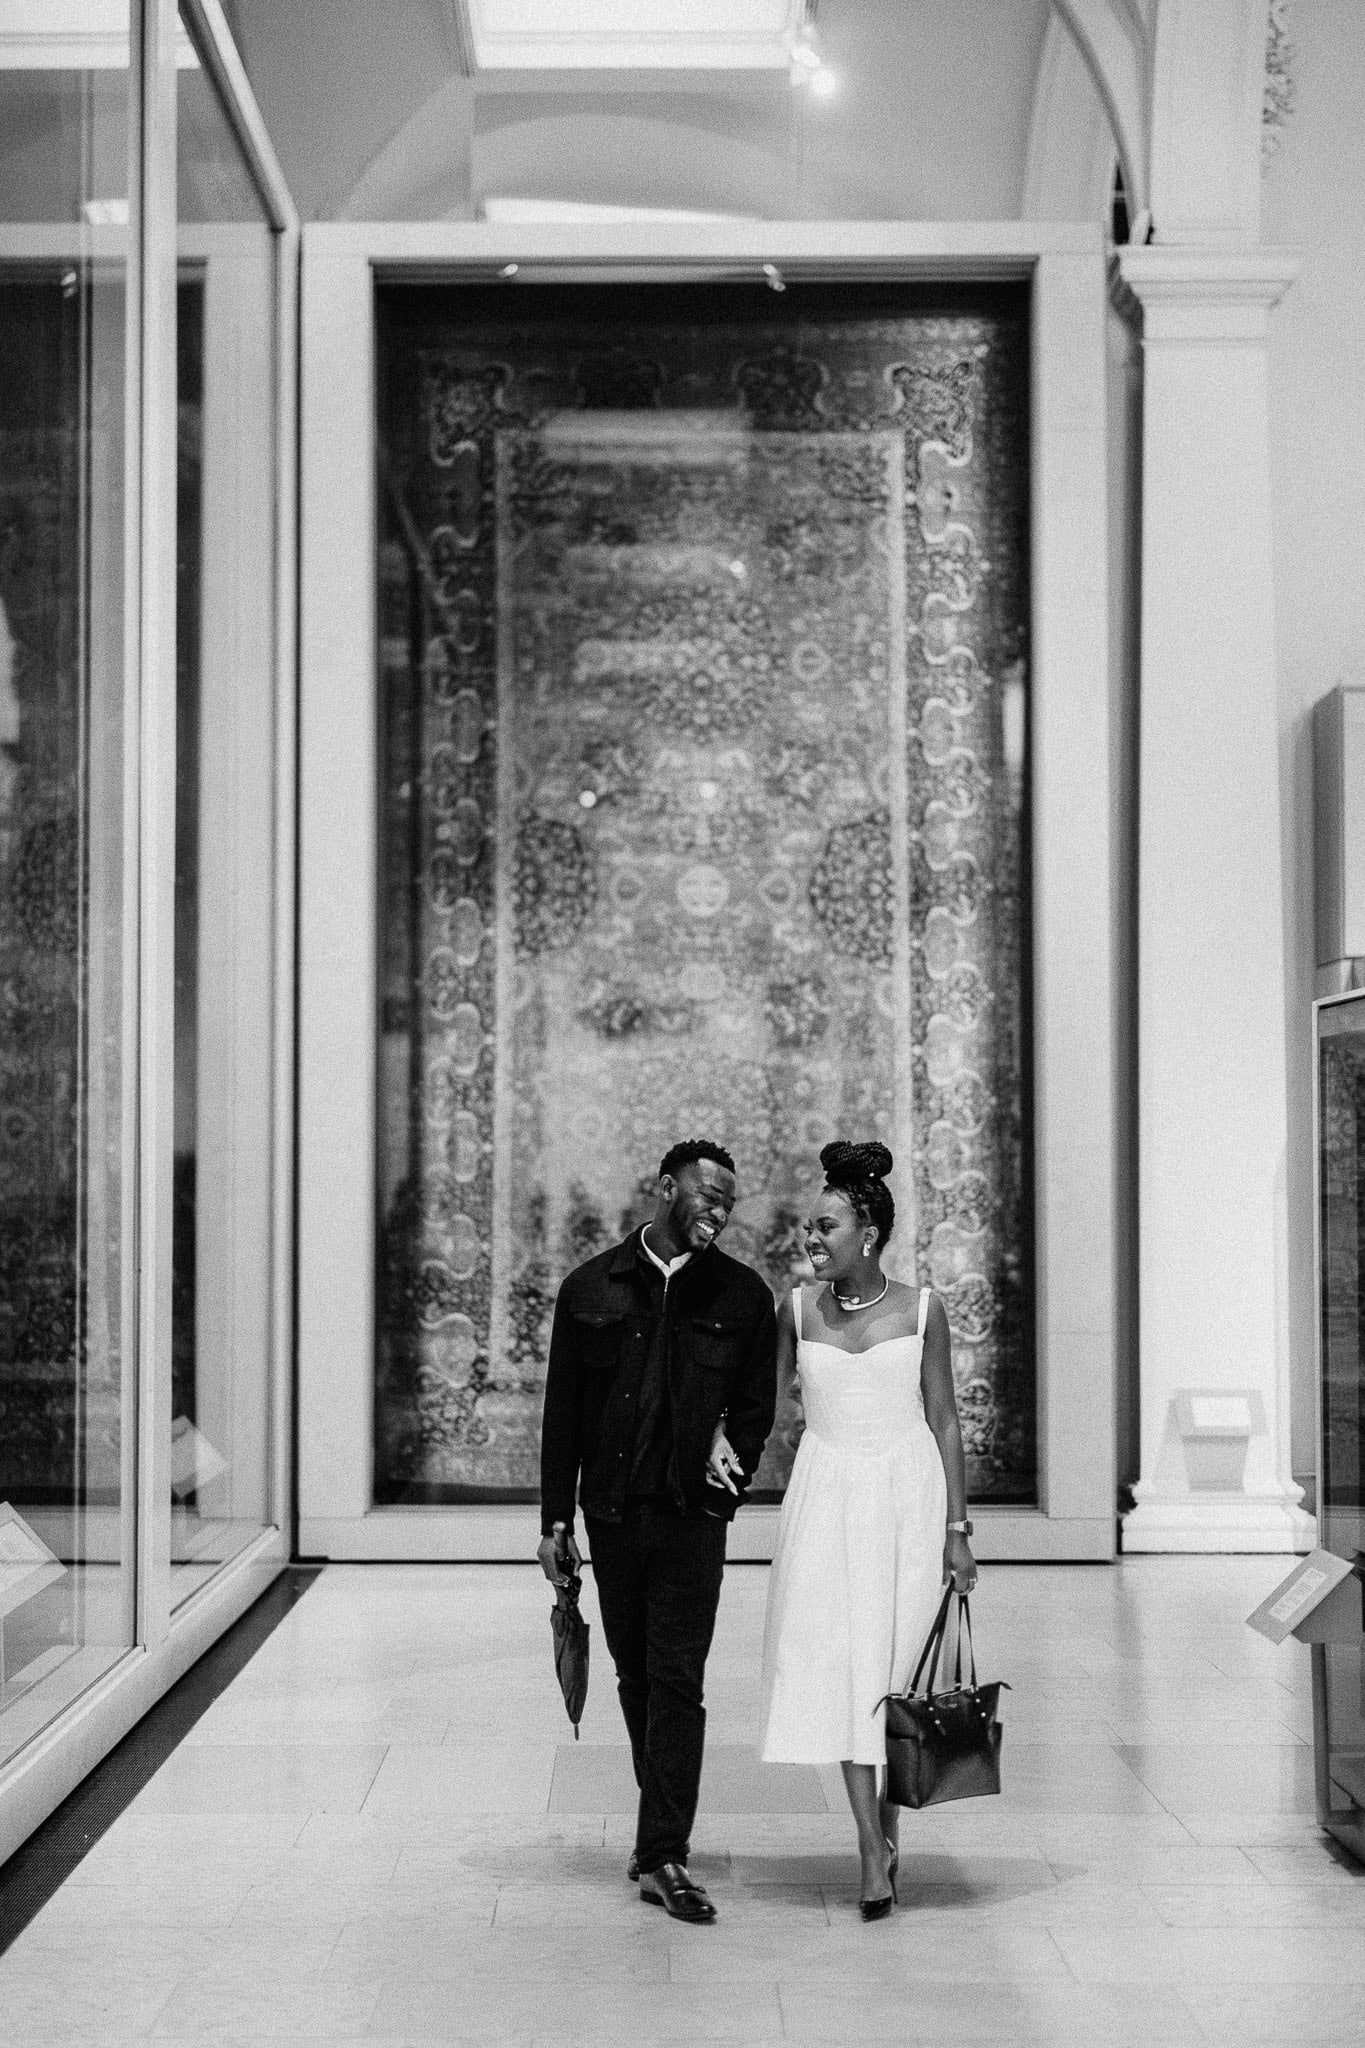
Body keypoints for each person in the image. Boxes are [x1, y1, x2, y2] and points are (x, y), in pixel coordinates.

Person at [538, 1138, 777, 1924]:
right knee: (634, 1678)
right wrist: (554, 1521)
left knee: (677, 1680)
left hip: (690, 1521)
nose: (717, 1212)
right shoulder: (589, 1288)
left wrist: (722, 1492)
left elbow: (753, 1412)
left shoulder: (743, 1297)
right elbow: (562, 1417)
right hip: (610, 1516)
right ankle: (659, 1830)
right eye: (707, 1195)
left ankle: (663, 1854)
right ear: (664, 1187)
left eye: (728, 1204)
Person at [749, 1139, 977, 1920]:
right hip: (826, 1498)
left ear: (868, 1235)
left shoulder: (922, 1310)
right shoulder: (795, 1309)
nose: (811, 1240)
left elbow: (945, 1421)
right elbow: (761, 1403)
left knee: (894, 1676)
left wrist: (958, 1528)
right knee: (843, 1669)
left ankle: (885, 1833)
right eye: (809, 1229)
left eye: (826, 1227)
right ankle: (867, 1850)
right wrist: (716, 1438)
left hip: (907, 1499)